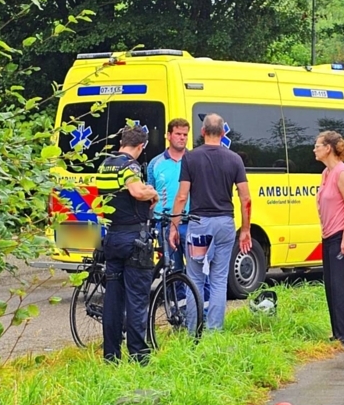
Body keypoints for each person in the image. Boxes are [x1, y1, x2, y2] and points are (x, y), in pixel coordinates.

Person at [170, 113, 252, 331]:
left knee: (195, 278)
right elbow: (246, 198)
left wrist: (174, 226)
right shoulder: (235, 159)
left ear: (202, 132)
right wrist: (245, 229)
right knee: (219, 279)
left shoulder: (191, 158)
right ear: (223, 133)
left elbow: (182, 196)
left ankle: (193, 331)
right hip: (225, 224)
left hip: (199, 225)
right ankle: (215, 331)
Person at [95, 125, 159, 363]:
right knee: (137, 299)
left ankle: (111, 355)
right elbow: (136, 191)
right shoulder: (130, 166)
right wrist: (152, 192)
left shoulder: (105, 165)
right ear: (141, 146)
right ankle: (139, 356)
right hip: (134, 240)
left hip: (112, 237)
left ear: (121, 142)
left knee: (113, 300)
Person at [147, 119, 211, 303]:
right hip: (165, 224)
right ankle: (179, 310)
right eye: (178, 134)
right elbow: (150, 192)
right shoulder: (155, 163)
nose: (182, 138)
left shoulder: (196, 160)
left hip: (192, 223)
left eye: (185, 135)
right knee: (173, 270)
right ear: (168, 135)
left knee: (199, 269)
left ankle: (203, 311)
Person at [314, 131, 344, 349]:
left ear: (328, 148)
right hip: (329, 235)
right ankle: (339, 333)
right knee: (332, 286)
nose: (314, 149)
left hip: (343, 235)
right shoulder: (326, 173)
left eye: (317, 145)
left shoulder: (342, 172)